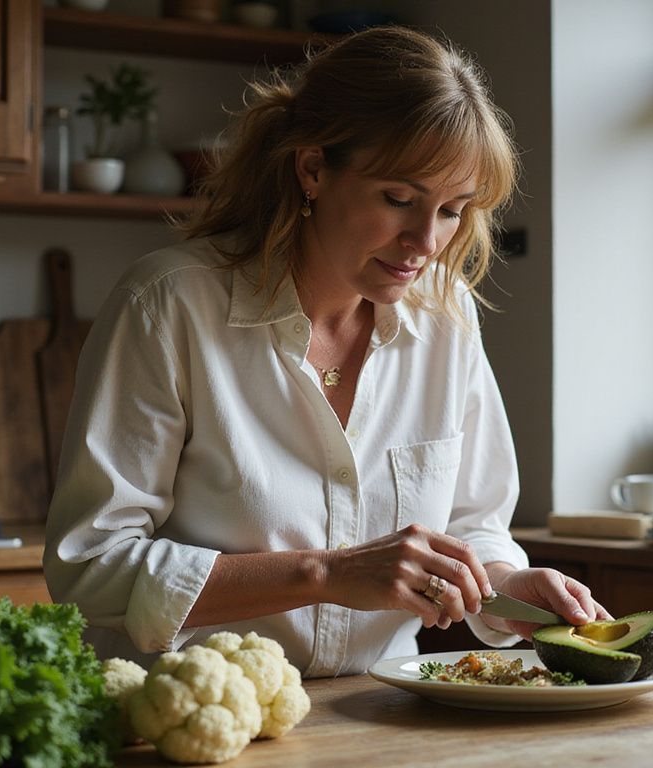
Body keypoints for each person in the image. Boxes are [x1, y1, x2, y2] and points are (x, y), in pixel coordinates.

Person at [43, 26, 610, 676]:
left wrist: (510, 586)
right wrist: (324, 573)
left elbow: (474, 526)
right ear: (312, 168)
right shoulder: (167, 307)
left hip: (380, 724)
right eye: (399, 199)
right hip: (189, 725)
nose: (426, 240)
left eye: (453, 210)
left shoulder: (447, 319)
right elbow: (89, 566)